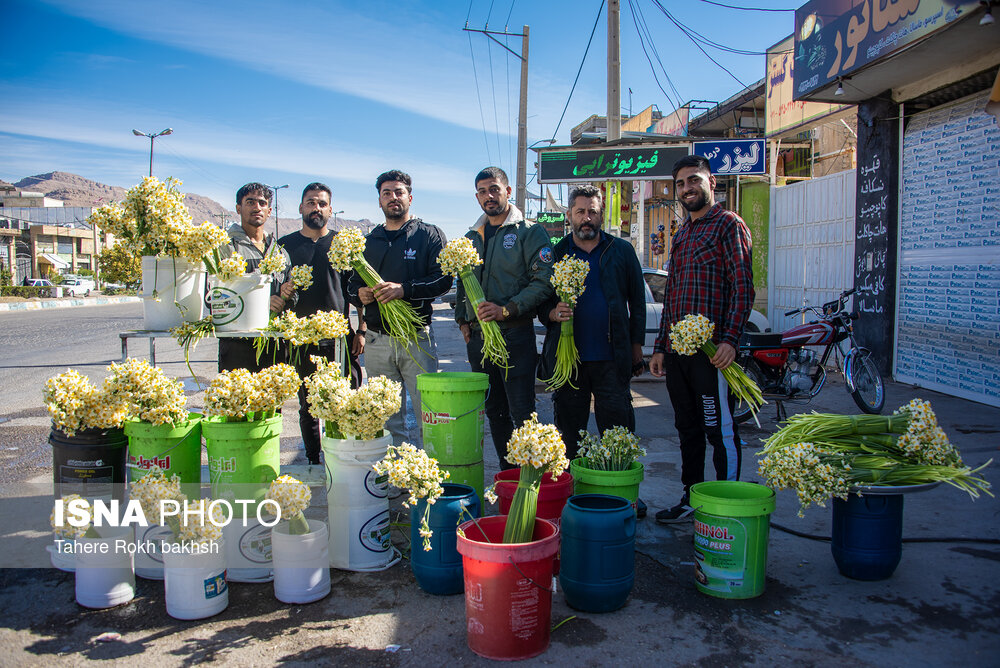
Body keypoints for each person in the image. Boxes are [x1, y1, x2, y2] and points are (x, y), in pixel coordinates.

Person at [649, 155, 755, 524]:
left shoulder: (729, 225)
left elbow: (743, 289)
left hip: (713, 356)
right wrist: (661, 346)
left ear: (712, 182)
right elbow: (672, 295)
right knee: (687, 429)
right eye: (680, 183)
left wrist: (730, 340)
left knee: (719, 429)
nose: (687, 188)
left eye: (694, 180)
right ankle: (690, 497)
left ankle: (727, 506)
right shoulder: (682, 235)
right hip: (678, 354)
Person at [455, 167, 554, 469]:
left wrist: (506, 309)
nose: (489, 196)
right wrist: (463, 319)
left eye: (494, 189)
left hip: (514, 334)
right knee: (494, 410)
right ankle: (508, 475)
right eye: (483, 191)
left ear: (508, 192)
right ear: (477, 197)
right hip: (479, 339)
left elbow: (543, 281)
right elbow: (462, 280)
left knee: (522, 410)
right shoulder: (471, 236)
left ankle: (531, 479)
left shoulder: (529, 231)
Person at [346, 170, 451, 447]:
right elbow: (351, 285)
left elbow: (443, 279)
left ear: (410, 197)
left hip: (416, 337)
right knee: (388, 417)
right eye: (387, 193)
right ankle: (397, 479)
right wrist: (361, 294)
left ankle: (432, 478)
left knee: (428, 412)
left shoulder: (429, 235)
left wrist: (404, 289)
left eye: (399, 192)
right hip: (378, 341)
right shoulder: (368, 241)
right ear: (379, 201)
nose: (393, 198)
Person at [279, 182, 363, 465]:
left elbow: (358, 293)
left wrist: (360, 330)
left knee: (346, 401)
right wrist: (284, 291)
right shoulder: (285, 247)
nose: (316, 208)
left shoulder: (342, 245)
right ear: (301, 207)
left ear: (330, 209)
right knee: (308, 406)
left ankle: (344, 459)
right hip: (302, 341)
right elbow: (274, 290)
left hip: (340, 339)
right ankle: (315, 460)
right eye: (311, 202)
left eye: (322, 203)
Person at [217, 182, 292, 373]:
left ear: (269, 211)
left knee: (272, 401)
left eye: (262, 203)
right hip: (237, 345)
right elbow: (216, 297)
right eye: (250, 202)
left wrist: (286, 296)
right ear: (238, 208)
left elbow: (292, 294)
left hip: (273, 344)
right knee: (236, 401)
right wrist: (260, 304)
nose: (257, 207)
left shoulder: (279, 252)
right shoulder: (226, 247)